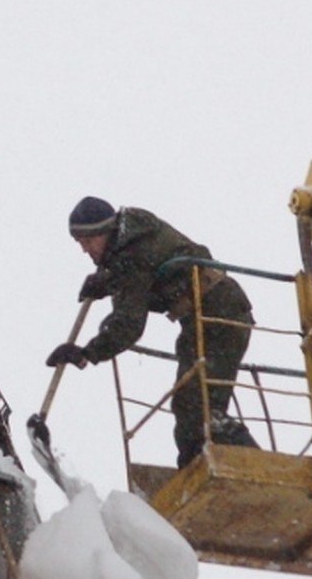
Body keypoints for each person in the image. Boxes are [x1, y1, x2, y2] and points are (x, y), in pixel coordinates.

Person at [46, 197, 258, 467]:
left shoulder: (129, 255)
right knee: (192, 407)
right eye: (80, 244)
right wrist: (109, 281)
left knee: (199, 410)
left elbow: (129, 324)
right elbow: (149, 273)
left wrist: (88, 352)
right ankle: (201, 470)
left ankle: (244, 470)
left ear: (106, 232)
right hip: (209, 313)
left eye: (89, 242)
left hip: (217, 314)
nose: (85, 250)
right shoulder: (133, 238)